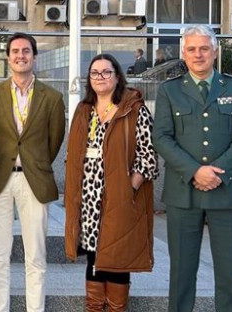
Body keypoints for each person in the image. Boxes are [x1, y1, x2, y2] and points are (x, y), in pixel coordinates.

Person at [153, 25, 232, 312]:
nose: (198, 54)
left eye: (203, 48)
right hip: (183, 194)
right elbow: (161, 137)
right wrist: (194, 171)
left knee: (229, 275)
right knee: (181, 274)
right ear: (183, 54)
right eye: (191, 49)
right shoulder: (170, 90)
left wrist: (216, 172)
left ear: (215, 51)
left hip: (227, 193)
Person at [64, 53, 158, 312]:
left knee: (117, 259)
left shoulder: (134, 109)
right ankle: (94, 307)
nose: (100, 77)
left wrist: (130, 187)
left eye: (107, 72)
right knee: (94, 257)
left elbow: (148, 156)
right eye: (95, 73)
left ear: (118, 77)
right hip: (88, 198)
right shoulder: (84, 110)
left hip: (120, 196)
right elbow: (73, 153)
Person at [0, 33, 65, 312]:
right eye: (15, 51)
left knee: (36, 256)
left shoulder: (53, 97)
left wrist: (35, 163)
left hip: (35, 179)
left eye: (26, 51)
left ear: (34, 56)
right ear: (8, 57)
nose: (21, 55)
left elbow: (55, 141)